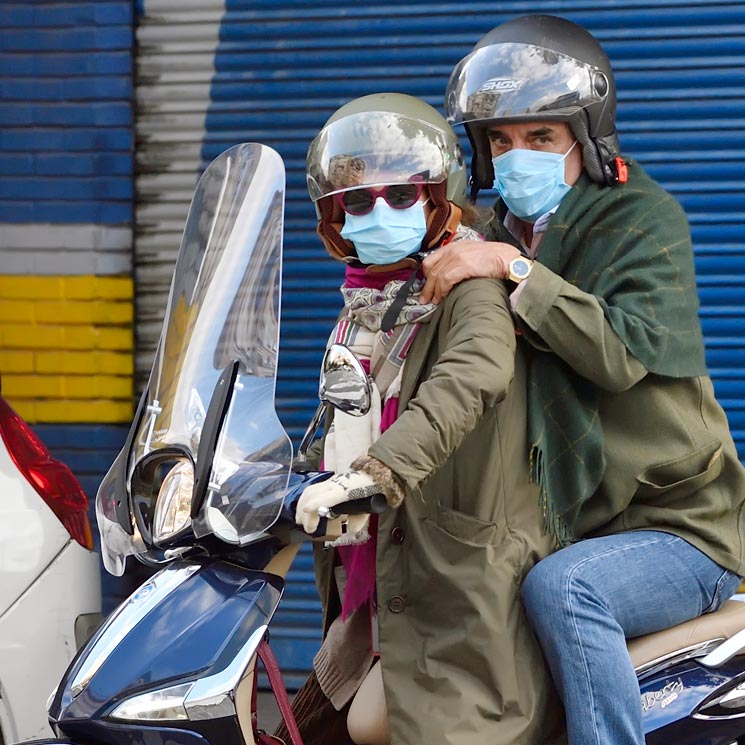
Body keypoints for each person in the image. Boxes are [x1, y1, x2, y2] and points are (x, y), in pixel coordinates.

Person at [418, 13, 745, 745]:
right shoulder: (489, 238)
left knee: (564, 590)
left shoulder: (641, 220)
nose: (516, 156)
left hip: (677, 526)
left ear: (585, 136)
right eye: (499, 140)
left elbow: (620, 353)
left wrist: (512, 270)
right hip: (565, 521)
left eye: (541, 138)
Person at [279, 93, 565, 745]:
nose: (378, 213)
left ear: (439, 200)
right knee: (306, 728)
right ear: (333, 216)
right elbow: (346, 418)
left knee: (373, 723)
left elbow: (473, 375)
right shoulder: (370, 304)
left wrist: (378, 470)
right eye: (357, 201)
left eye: (402, 196)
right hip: (376, 582)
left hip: (458, 586)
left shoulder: (468, 288)